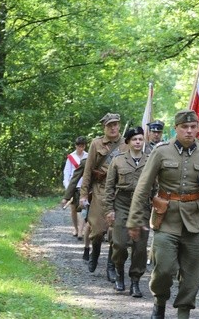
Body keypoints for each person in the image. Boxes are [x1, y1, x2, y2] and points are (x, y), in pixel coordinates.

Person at [127, 109, 199, 319]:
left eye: (193, 127)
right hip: (166, 221)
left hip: (195, 223)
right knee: (164, 269)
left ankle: (183, 312)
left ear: (197, 128)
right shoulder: (161, 152)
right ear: (176, 128)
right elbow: (143, 187)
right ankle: (160, 302)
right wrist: (134, 220)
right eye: (184, 127)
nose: (189, 131)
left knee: (192, 275)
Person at [104, 126, 152, 296]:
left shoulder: (150, 160)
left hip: (142, 206)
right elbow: (109, 187)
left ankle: (135, 281)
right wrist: (109, 209)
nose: (138, 142)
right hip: (122, 204)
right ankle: (119, 273)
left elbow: (156, 186)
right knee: (120, 244)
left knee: (140, 247)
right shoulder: (118, 160)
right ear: (128, 142)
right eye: (134, 139)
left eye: (140, 139)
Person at [79, 113, 127, 282]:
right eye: (109, 125)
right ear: (104, 127)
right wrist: (83, 194)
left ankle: (110, 266)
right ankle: (95, 252)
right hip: (100, 190)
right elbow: (88, 170)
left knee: (115, 234)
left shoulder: (126, 143)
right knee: (98, 231)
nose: (113, 128)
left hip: (119, 192)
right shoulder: (96, 143)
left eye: (115, 124)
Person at [60, 158, 91, 261]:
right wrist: (66, 197)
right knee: (88, 219)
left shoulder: (116, 158)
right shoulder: (87, 160)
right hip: (87, 195)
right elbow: (74, 178)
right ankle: (87, 247)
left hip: (106, 196)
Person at [62, 136, 88, 239]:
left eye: (83, 146)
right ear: (76, 146)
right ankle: (76, 229)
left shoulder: (88, 156)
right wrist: (68, 188)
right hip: (73, 187)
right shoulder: (71, 157)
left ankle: (81, 231)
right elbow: (67, 173)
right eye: (79, 146)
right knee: (73, 209)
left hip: (84, 186)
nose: (81, 148)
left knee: (82, 208)